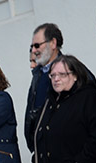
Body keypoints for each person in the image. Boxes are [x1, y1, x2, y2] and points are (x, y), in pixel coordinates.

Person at [25, 23, 64, 151]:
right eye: (32, 46)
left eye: (37, 45)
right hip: (43, 149)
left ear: (53, 43)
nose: (34, 50)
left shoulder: (71, 69)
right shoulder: (38, 75)